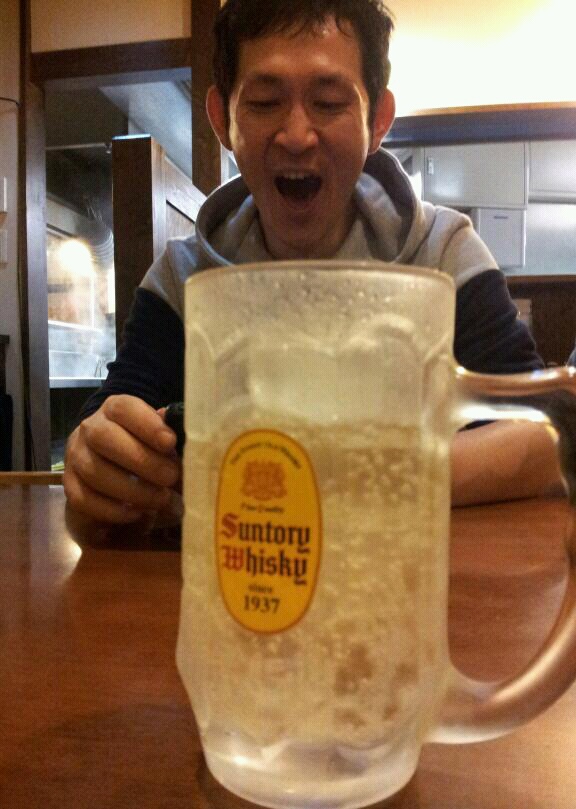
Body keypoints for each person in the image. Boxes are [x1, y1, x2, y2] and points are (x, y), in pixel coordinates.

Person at [63, 0, 561, 524]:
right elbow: (108, 430)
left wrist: (336, 478)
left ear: (378, 120)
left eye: (328, 102)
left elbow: (547, 433)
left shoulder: (443, 251)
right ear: (222, 120)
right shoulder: (182, 275)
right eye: (264, 102)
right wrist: (95, 453)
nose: (297, 136)